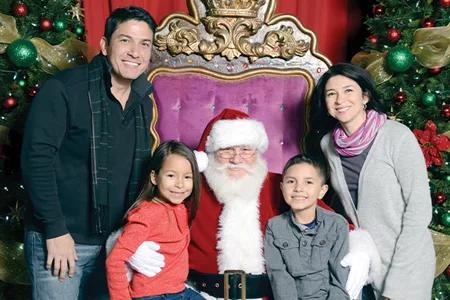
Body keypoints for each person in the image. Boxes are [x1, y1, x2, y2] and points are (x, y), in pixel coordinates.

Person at [21, 6, 157, 299]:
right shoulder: (64, 89)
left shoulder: (143, 101)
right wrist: (55, 232)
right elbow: (36, 162)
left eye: (144, 44)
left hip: (114, 243)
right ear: (106, 45)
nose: (135, 51)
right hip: (62, 240)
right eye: (125, 40)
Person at [305, 63, 435, 300]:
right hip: (366, 263)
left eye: (348, 91)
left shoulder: (396, 136)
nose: (339, 100)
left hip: (407, 261)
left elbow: (419, 209)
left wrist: (398, 279)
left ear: (365, 95)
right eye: (331, 94)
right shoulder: (328, 145)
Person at [106, 141, 204, 300]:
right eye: (171, 175)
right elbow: (115, 260)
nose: (180, 184)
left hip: (179, 291)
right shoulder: (147, 214)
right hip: (153, 295)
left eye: (187, 177)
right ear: (154, 177)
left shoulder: (181, 209)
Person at [264, 154, 350, 300]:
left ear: (322, 191)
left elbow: (339, 280)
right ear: (282, 187)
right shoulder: (274, 226)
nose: (298, 188)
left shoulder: (337, 225)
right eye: (291, 181)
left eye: (308, 182)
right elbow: (279, 277)